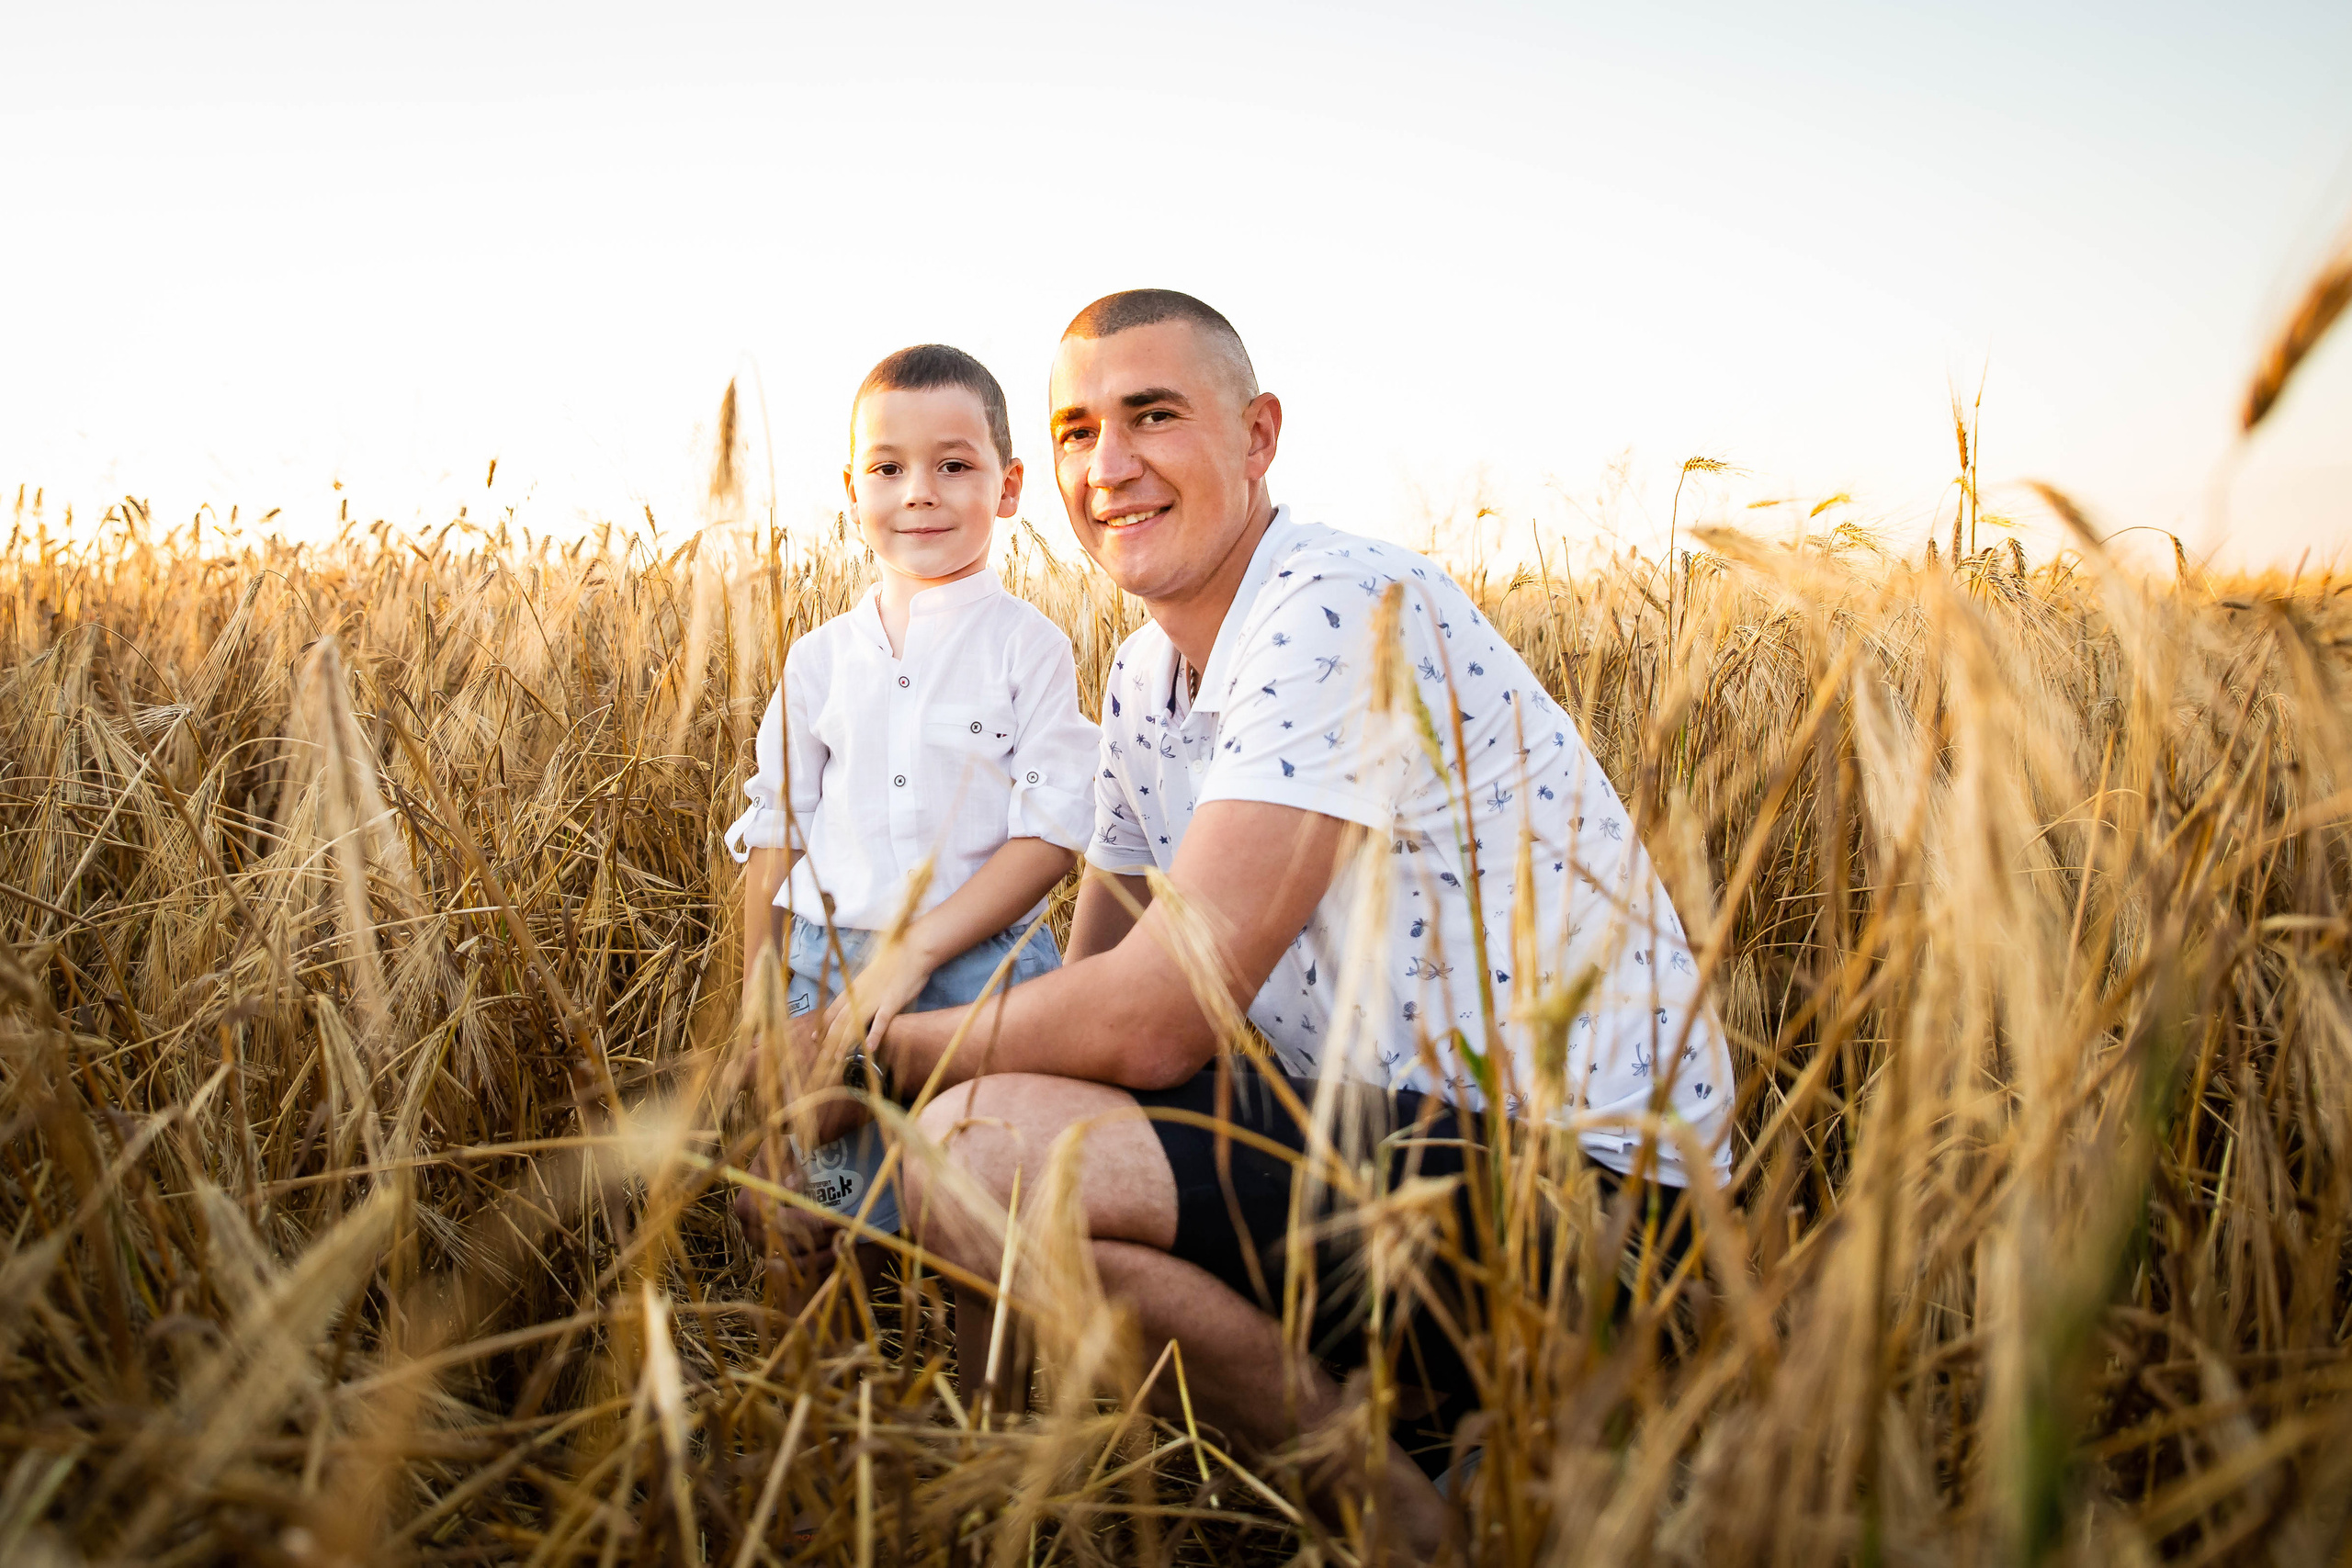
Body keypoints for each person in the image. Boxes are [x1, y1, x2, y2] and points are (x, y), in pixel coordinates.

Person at [763, 295, 1733, 1561]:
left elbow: (1150, 1019)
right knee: (986, 1132)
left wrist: (860, 1051)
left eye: (1152, 415)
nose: (1109, 466)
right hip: (1383, 1154)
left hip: (1583, 1200)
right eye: (1075, 430)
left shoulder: (1339, 607)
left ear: (1258, 433)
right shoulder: (1142, 678)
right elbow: (1095, 993)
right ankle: (1431, 1430)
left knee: (978, 1146)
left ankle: (1405, 1513)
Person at [725, 343, 1098, 1234]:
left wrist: (919, 950)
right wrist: (756, 990)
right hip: (826, 966)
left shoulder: (1027, 647)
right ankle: (828, 1365)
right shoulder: (817, 661)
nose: (918, 491)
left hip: (982, 968)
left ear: (1008, 488)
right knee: (799, 1210)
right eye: (888, 468)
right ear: (852, 491)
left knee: (983, 1199)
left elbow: (1047, 834)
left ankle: (979, 1377)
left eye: (953, 466)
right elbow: (779, 826)